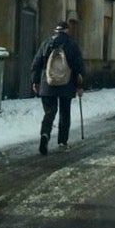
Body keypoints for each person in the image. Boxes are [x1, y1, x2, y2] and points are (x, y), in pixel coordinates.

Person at [30, 20, 85, 155]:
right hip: (67, 84)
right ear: (67, 30)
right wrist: (80, 85)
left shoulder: (46, 43)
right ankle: (62, 141)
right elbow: (79, 67)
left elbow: (36, 63)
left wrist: (35, 82)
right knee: (64, 113)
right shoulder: (72, 44)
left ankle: (45, 134)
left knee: (50, 111)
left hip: (47, 83)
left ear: (56, 30)